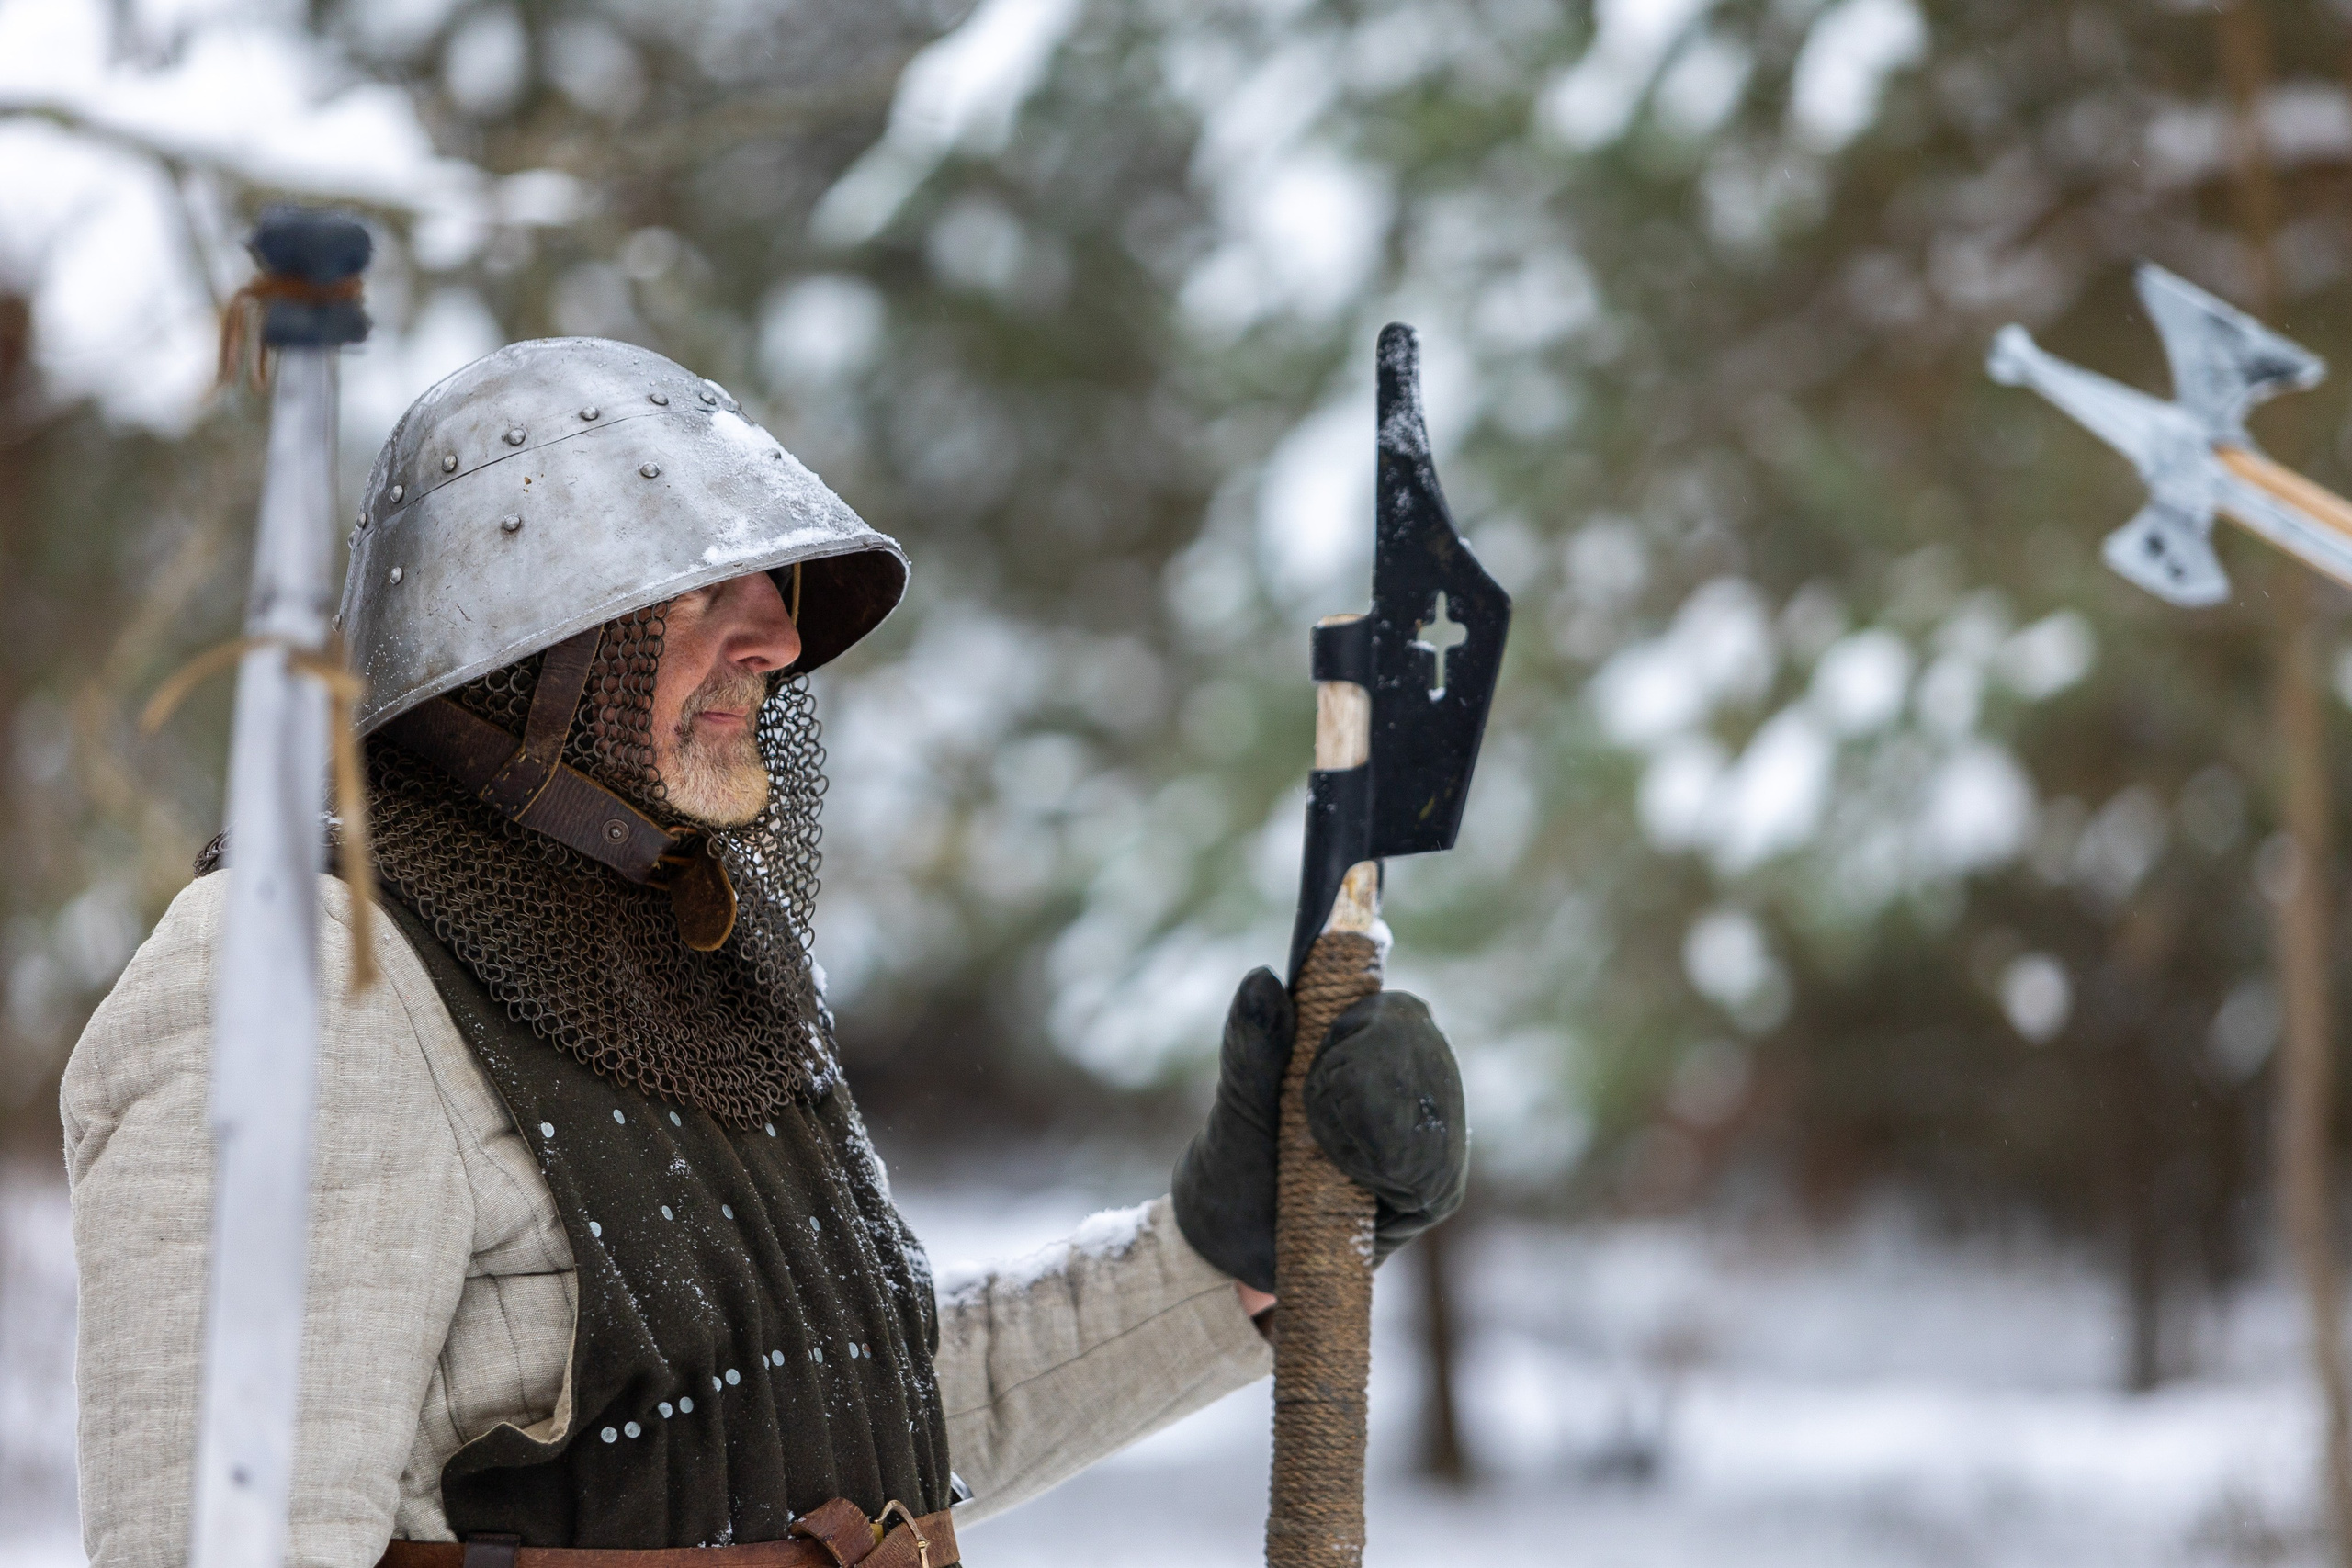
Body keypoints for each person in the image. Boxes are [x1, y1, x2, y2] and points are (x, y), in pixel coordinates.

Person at [63, 337, 1466, 1567]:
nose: (779, 638)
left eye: (770, 583)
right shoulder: (298, 986)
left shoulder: (680, 963)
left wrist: (1221, 1255)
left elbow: (850, 1432)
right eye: (687, 591)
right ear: (515, 648)